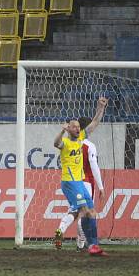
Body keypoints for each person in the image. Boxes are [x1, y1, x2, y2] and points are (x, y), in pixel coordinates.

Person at [53, 98, 108, 254]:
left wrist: (100, 107)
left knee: (91, 212)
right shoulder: (66, 143)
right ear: (69, 129)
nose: (77, 129)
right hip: (70, 182)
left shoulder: (82, 139)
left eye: (78, 127)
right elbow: (56, 143)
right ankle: (85, 244)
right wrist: (62, 130)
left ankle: (93, 245)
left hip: (80, 182)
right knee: (83, 210)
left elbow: (95, 123)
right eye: (74, 127)